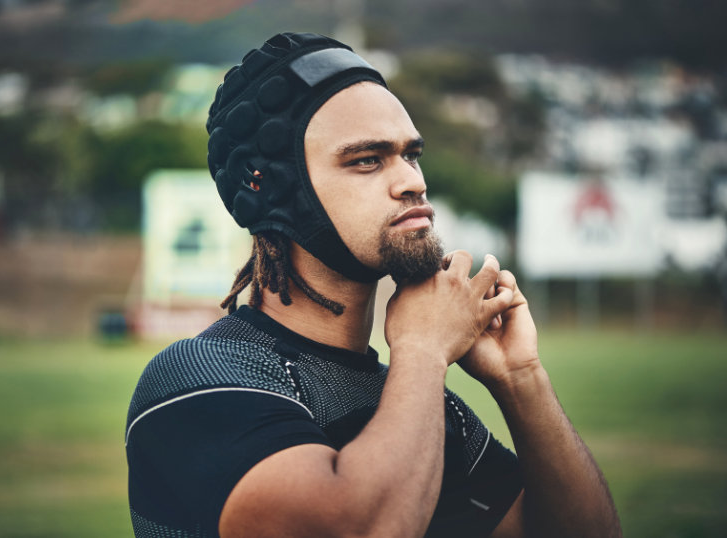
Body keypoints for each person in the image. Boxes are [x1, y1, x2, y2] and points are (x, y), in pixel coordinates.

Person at [125, 32, 622, 538]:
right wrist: (425, 348)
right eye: (367, 159)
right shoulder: (199, 377)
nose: (412, 181)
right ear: (268, 184)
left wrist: (521, 379)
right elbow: (361, 529)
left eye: (412, 154)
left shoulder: (418, 399)